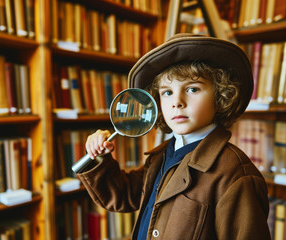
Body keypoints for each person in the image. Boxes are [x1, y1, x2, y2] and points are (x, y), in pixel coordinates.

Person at [76, 33, 271, 239]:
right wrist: (99, 157)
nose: (177, 102)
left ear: (221, 95)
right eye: (167, 92)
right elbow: (124, 196)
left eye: (192, 89)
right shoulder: (161, 156)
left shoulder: (236, 175)